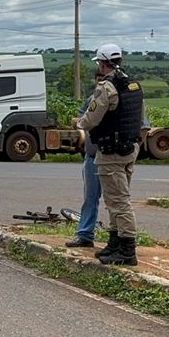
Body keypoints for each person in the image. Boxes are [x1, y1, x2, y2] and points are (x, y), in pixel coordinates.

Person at [73, 43, 144, 266]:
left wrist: (79, 123)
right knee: (116, 199)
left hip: (112, 151)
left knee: (119, 201)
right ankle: (114, 243)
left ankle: (126, 249)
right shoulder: (132, 85)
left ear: (103, 63)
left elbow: (91, 118)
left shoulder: (107, 87)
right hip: (129, 148)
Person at [65, 72, 106, 248]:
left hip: (112, 155)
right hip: (92, 154)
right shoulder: (93, 98)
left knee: (117, 200)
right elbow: (80, 119)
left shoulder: (124, 97)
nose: (100, 84)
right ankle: (85, 234)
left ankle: (119, 238)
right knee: (90, 197)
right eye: (98, 81)